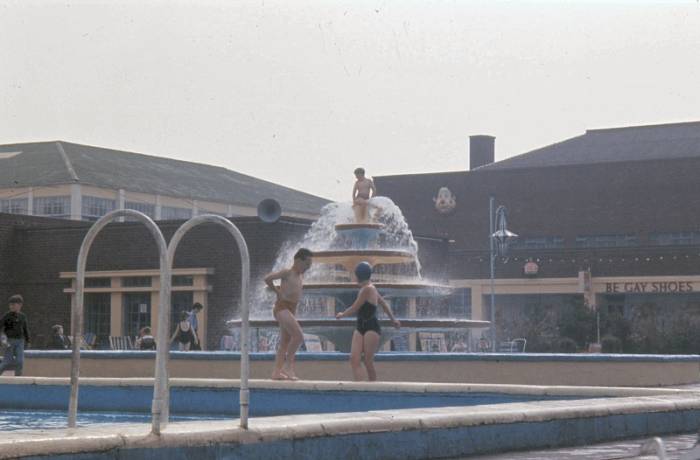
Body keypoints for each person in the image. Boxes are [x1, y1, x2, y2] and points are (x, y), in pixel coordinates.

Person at [336, 262, 400, 381]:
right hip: (360, 326)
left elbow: (355, 307)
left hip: (371, 327)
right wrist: (393, 320)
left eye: (354, 274)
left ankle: (372, 387)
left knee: (367, 361)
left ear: (358, 275)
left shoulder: (368, 289)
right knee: (354, 359)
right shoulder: (371, 287)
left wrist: (342, 314)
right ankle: (360, 386)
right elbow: (384, 304)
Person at [264, 248, 313, 380]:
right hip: (282, 308)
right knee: (298, 336)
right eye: (307, 264)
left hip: (291, 309)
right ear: (298, 260)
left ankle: (276, 372)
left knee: (285, 342)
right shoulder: (287, 273)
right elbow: (268, 279)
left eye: (310, 265)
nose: (308, 268)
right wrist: (277, 291)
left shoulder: (299, 277)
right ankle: (288, 366)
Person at [0, 294, 30, 376]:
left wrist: (28, 340)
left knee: (20, 361)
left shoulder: (22, 316)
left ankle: (18, 377)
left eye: (13, 304)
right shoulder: (7, 316)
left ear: (20, 305)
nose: (11, 306)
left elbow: (25, 329)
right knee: (7, 361)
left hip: (20, 341)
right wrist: (2, 339)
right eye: (10, 305)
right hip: (9, 341)